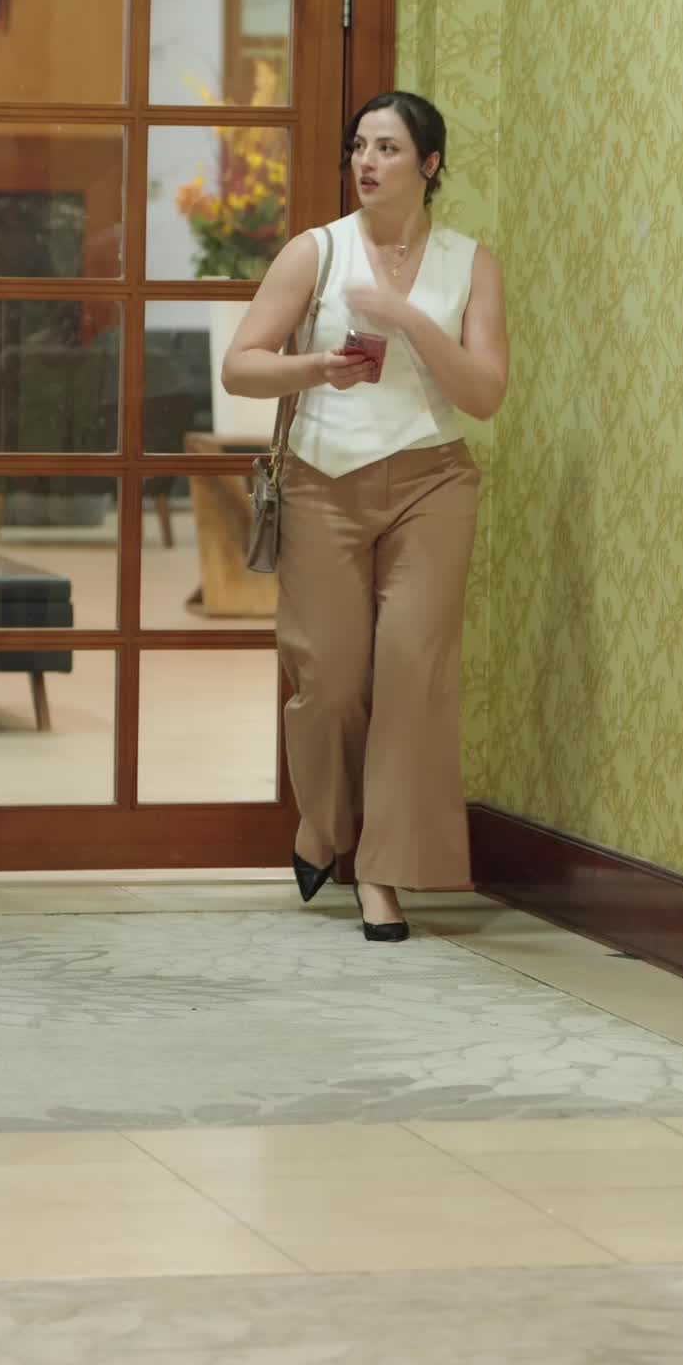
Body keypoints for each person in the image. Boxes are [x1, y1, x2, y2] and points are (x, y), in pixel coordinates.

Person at [222, 92, 510, 943]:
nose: (367, 162)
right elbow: (241, 367)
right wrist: (317, 367)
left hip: (433, 484)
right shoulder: (317, 251)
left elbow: (485, 396)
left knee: (414, 677)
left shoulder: (471, 264)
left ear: (430, 164)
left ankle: (381, 875)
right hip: (324, 480)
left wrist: (408, 320)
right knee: (332, 681)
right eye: (359, 146)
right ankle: (323, 825)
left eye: (387, 148)